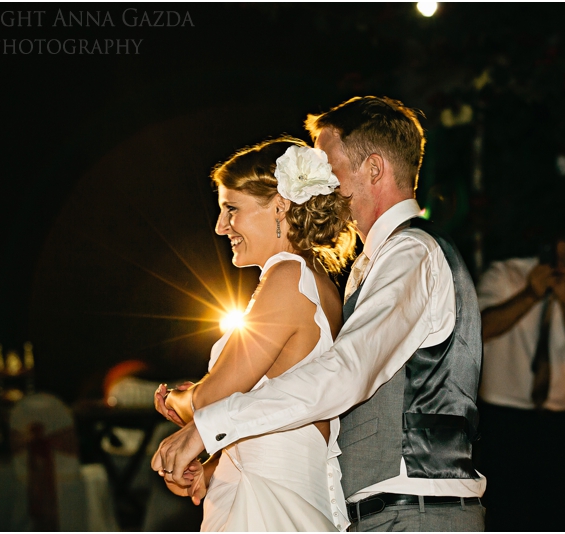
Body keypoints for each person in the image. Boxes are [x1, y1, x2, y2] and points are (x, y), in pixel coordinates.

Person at [152, 96, 487, 532]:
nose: (316, 183)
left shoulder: (412, 254)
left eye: (328, 167)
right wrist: (219, 466)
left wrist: (208, 423)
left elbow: (345, 374)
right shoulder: (368, 269)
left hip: (417, 511)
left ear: (373, 169)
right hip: (384, 512)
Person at [155, 136, 357, 531]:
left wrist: (176, 401)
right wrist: (211, 471)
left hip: (270, 501)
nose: (220, 226)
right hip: (262, 490)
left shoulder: (288, 277)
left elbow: (216, 397)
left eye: (231, 209)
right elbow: (268, 407)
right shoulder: (311, 279)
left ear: (280, 206)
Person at [475, 218, 565, 531]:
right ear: (562, 249)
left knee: (557, 514)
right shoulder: (506, 275)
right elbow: (480, 329)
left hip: (560, 420)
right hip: (503, 417)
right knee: (505, 511)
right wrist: (530, 296)